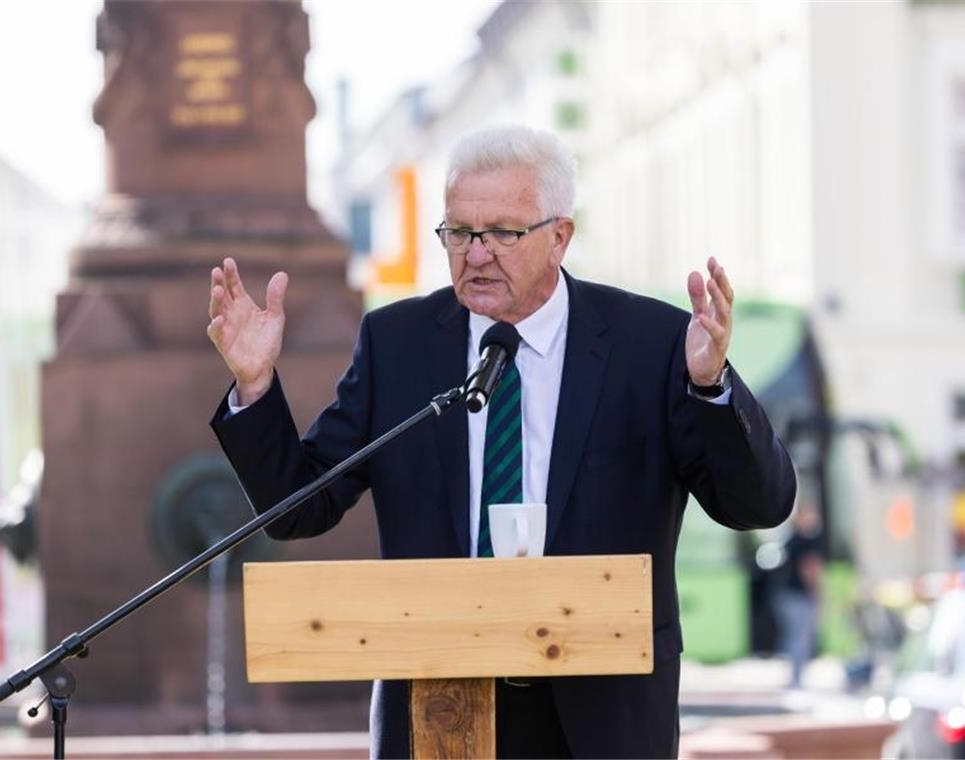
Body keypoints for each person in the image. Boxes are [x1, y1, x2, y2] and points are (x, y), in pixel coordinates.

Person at [207, 125, 796, 759]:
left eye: (503, 234)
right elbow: (300, 506)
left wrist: (711, 387)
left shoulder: (650, 343)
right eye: (458, 232)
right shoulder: (398, 343)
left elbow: (757, 507)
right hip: (440, 707)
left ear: (560, 237)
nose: (476, 254)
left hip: (602, 717)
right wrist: (255, 385)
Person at [773, 503, 824, 690]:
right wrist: (817, 592)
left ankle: (794, 678)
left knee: (793, 637)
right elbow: (809, 569)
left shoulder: (790, 539)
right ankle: (796, 679)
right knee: (801, 639)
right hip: (799, 596)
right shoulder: (806, 541)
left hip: (786, 595)